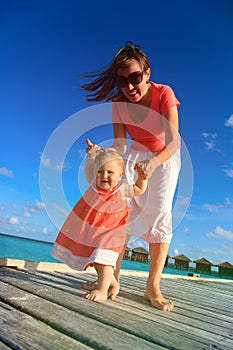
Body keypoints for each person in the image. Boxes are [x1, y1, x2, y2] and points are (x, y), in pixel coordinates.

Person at [80, 41, 181, 311]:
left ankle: (152, 287)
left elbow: (174, 142)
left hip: (164, 156)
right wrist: (102, 152)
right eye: (122, 81)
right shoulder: (118, 103)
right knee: (121, 214)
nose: (130, 87)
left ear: (146, 73)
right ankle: (113, 279)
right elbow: (121, 146)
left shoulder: (163, 94)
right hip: (135, 154)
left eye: (135, 78)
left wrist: (154, 163)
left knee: (159, 213)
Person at [51, 139, 148, 302]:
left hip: (112, 232)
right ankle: (112, 282)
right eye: (100, 171)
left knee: (103, 257)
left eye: (110, 172)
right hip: (94, 232)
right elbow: (89, 169)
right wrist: (92, 154)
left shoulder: (122, 189)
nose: (104, 176)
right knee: (97, 259)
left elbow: (138, 189)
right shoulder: (94, 184)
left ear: (120, 175)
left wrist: (142, 177)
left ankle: (102, 290)